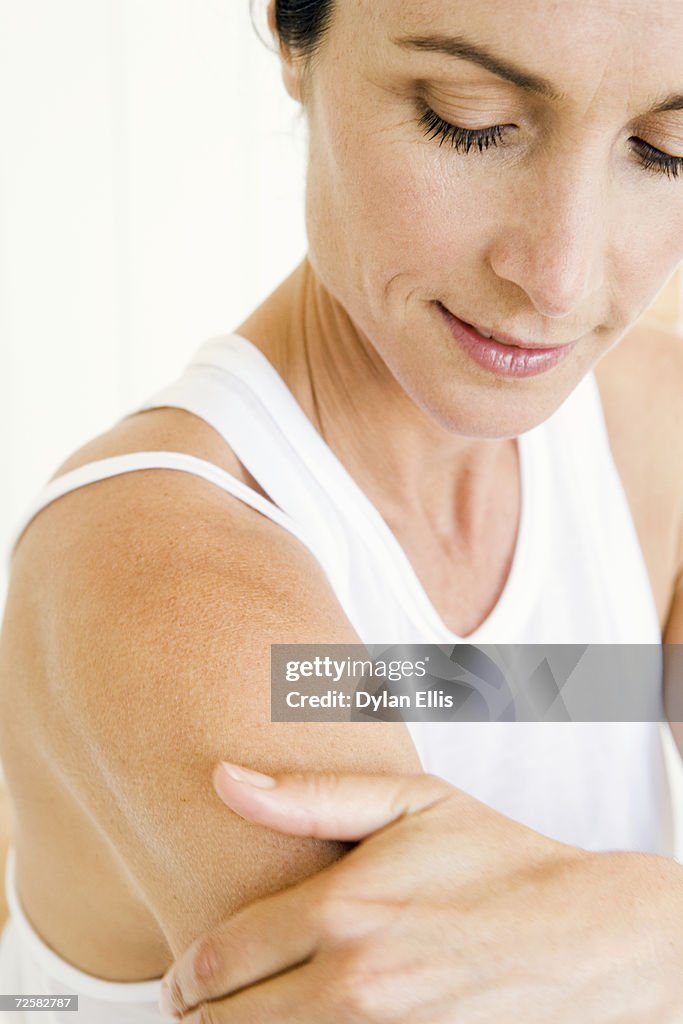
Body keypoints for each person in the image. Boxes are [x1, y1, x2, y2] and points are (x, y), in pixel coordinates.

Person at [0, 0, 682, 1020]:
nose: (556, 275)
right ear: (288, 31)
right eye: (467, 117)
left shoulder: (652, 423)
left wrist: (648, 935)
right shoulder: (158, 573)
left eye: (664, 150)